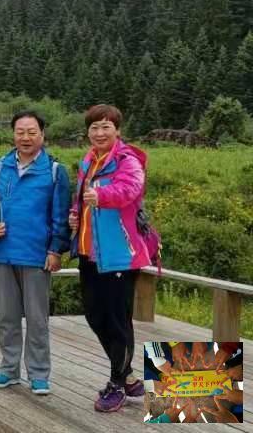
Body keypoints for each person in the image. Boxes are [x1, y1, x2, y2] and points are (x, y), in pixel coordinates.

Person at [68, 104, 153, 412]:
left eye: (106, 126)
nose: (99, 132)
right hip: (89, 251)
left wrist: (102, 196)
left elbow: (130, 189)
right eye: (94, 127)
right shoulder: (88, 160)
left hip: (119, 254)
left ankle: (117, 384)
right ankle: (128, 376)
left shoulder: (128, 160)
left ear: (118, 130)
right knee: (95, 315)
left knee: (118, 321)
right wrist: (75, 214)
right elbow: (81, 197)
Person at [0, 110, 70, 395]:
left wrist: (55, 249)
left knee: (37, 319)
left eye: (32, 132)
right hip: (3, 253)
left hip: (36, 255)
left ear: (42, 135)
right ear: (13, 134)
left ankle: (39, 373)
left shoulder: (55, 171)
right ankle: (8, 369)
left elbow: (60, 216)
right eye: (20, 132)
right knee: (7, 317)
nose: (26, 137)